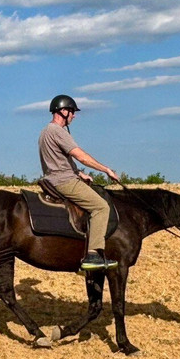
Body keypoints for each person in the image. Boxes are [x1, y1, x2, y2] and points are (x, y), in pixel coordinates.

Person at [38, 95, 120, 271]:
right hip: (64, 182)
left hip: (54, 179)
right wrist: (106, 170)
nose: (74, 115)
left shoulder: (45, 131)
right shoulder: (58, 131)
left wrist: (79, 173)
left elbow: (58, 160)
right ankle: (93, 254)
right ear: (63, 111)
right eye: (72, 111)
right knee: (101, 207)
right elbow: (81, 156)